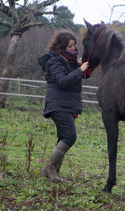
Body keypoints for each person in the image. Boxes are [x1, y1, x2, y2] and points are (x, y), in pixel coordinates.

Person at [38, 30, 89, 182]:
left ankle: (54, 174)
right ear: (61, 47)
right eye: (70, 46)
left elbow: (73, 77)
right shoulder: (54, 61)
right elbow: (62, 81)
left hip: (67, 104)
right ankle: (49, 169)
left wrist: (77, 67)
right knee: (70, 136)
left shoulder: (68, 61)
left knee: (62, 137)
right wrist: (79, 70)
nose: (74, 49)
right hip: (58, 105)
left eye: (74, 46)